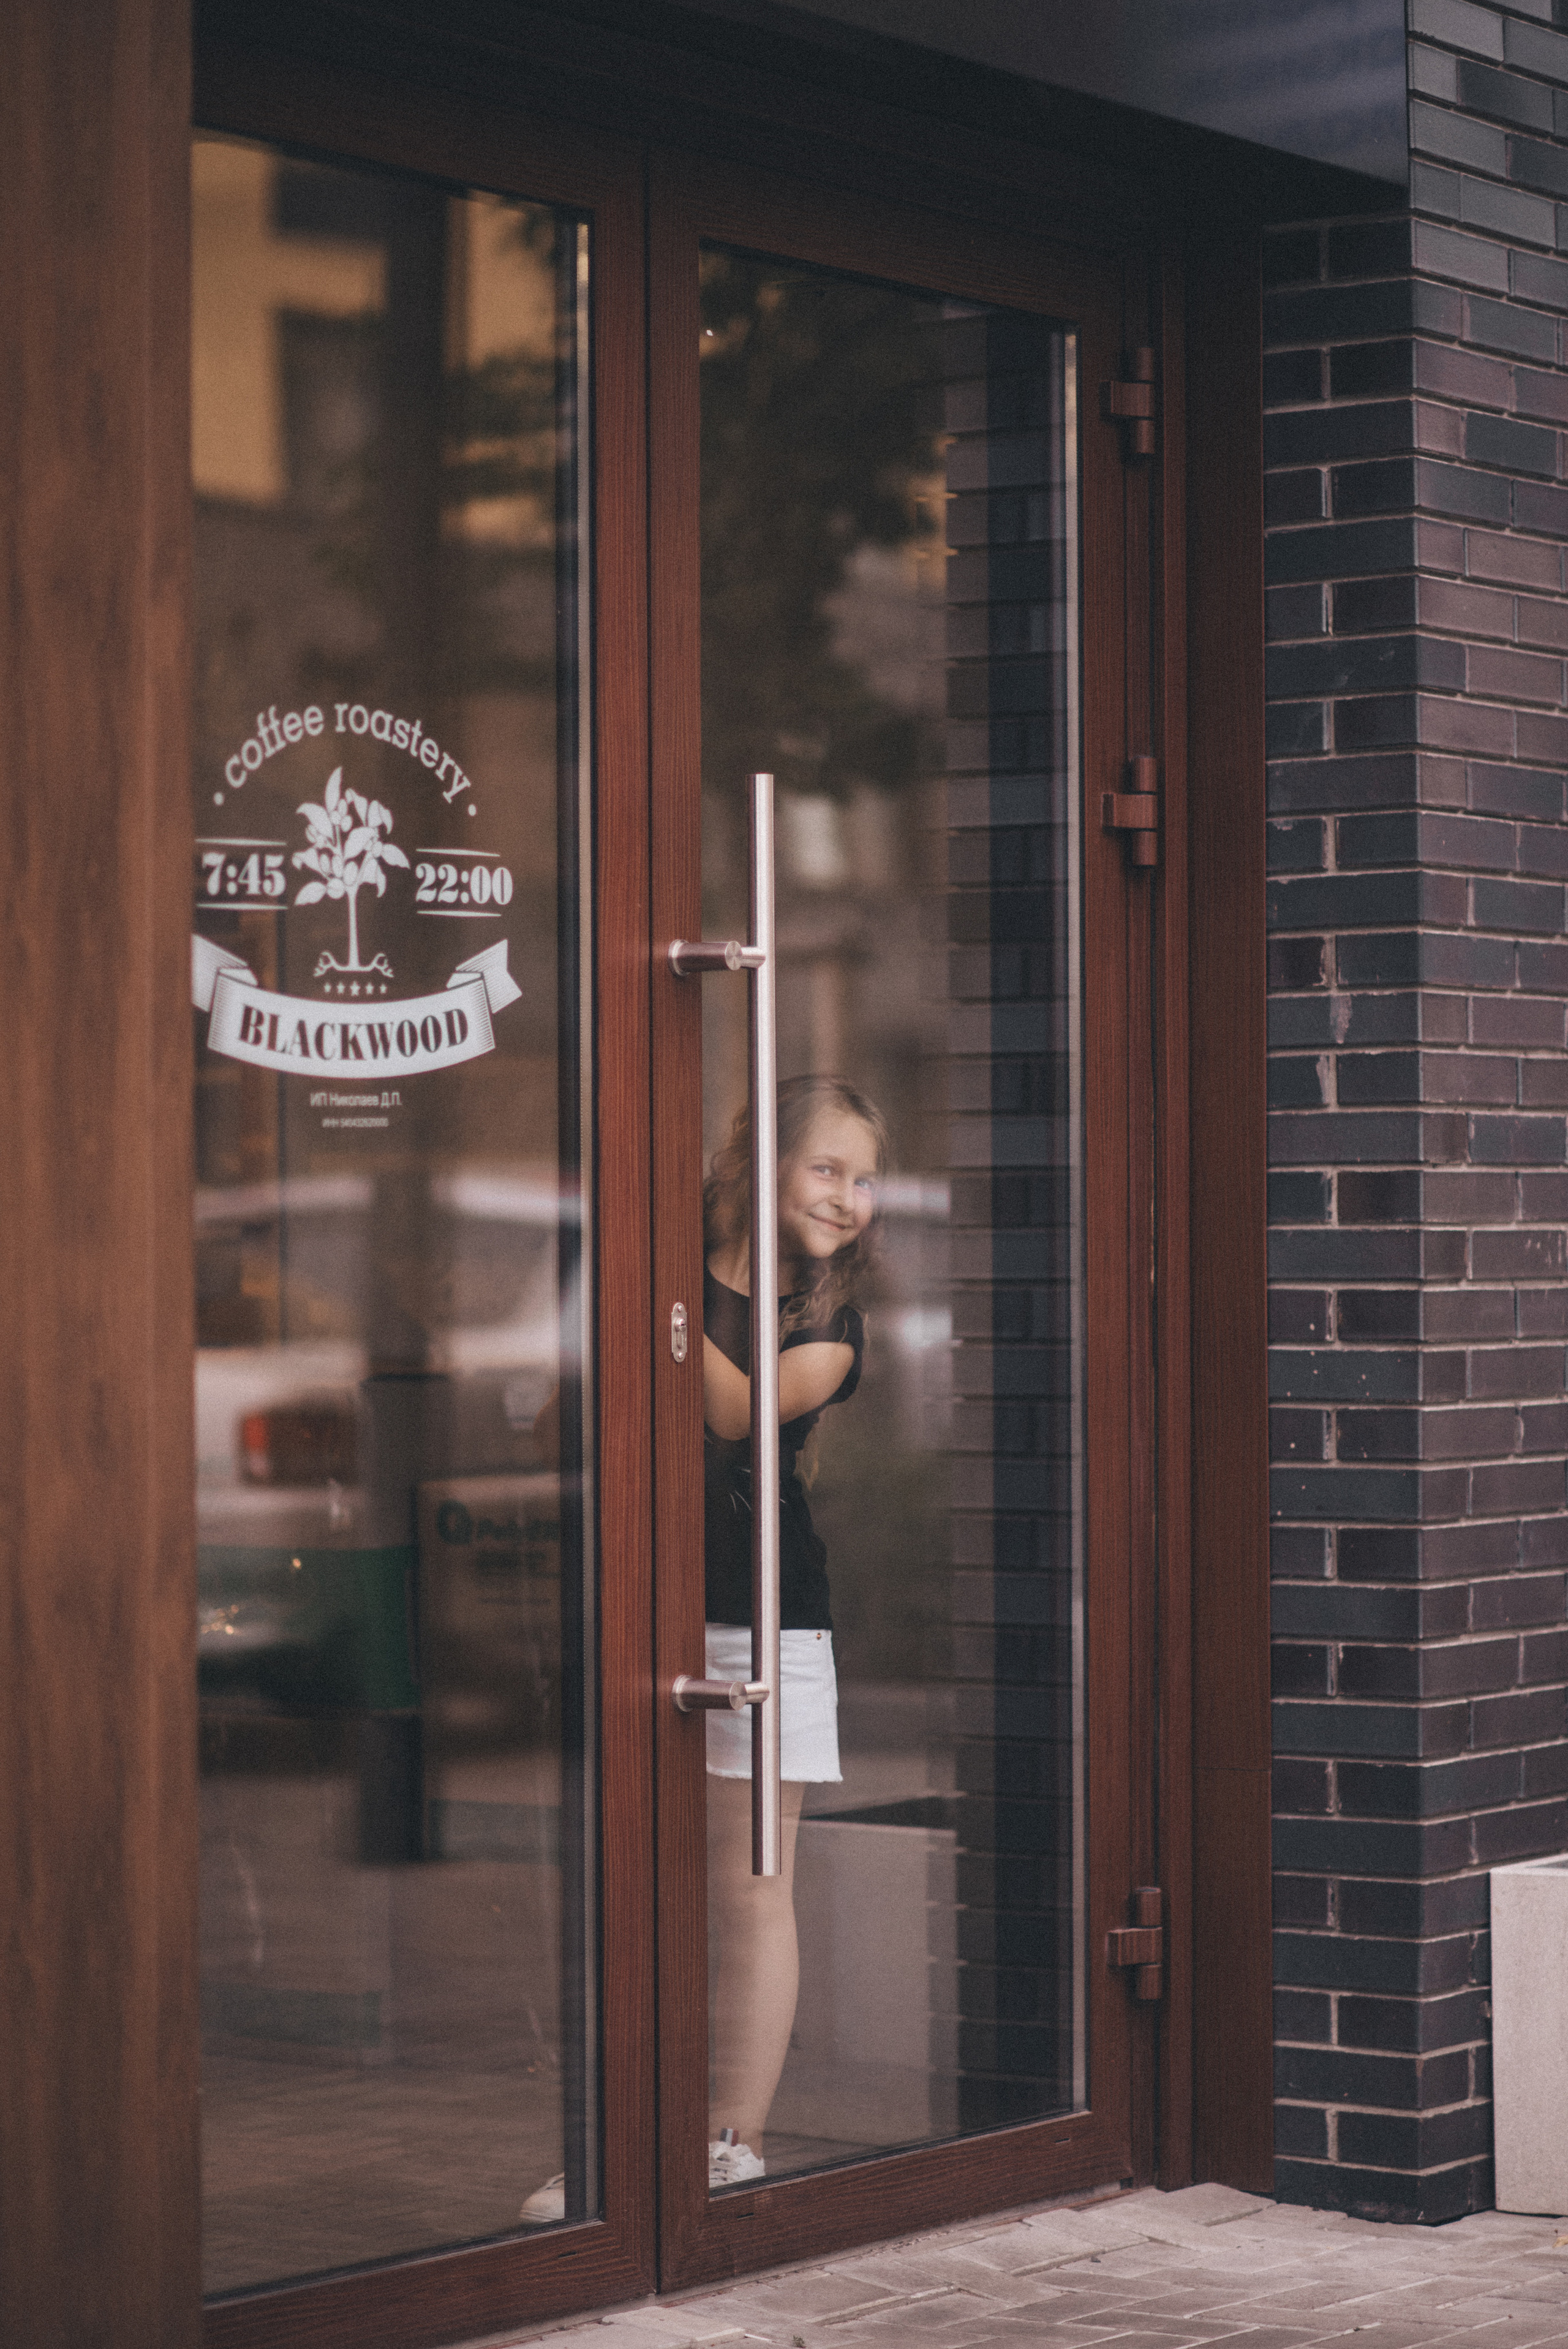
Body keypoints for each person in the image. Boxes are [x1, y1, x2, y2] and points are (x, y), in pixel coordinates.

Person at [700, 1073, 888, 2190]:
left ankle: (733, 2137)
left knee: (750, 1885)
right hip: (642, 1602)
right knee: (646, 1879)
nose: (848, 1196)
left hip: (767, 1617)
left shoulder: (832, 1322)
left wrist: (645, 1305)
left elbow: (732, 1408)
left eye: (865, 1178)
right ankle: (627, 2147)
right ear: (761, 1157)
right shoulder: (672, 1268)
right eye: (827, 1166)